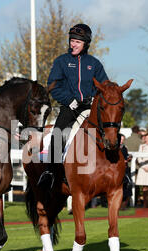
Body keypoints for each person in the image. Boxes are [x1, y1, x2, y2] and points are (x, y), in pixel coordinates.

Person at [37, 23, 108, 189]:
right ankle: (50, 172)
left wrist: (94, 99)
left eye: (77, 41)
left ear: (86, 44)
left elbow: (105, 86)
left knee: (110, 130)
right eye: (72, 40)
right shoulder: (62, 61)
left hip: (90, 108)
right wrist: (69, 100)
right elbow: (53, 85)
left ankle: (121, 172)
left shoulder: (94, 64)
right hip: (70, 107)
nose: (73, 44)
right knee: (57, 134)